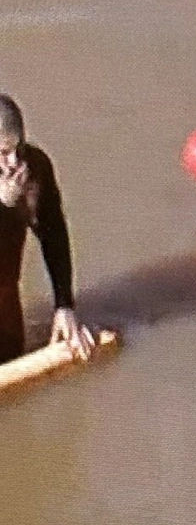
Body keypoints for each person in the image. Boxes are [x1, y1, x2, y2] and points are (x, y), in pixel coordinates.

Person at [0, 95, 94, 364]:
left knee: (11, 353)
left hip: (5, 292)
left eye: (18, 148)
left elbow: (53, 234)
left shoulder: (35, 168)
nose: (15, 162)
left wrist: (64, 305)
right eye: (3, 153)